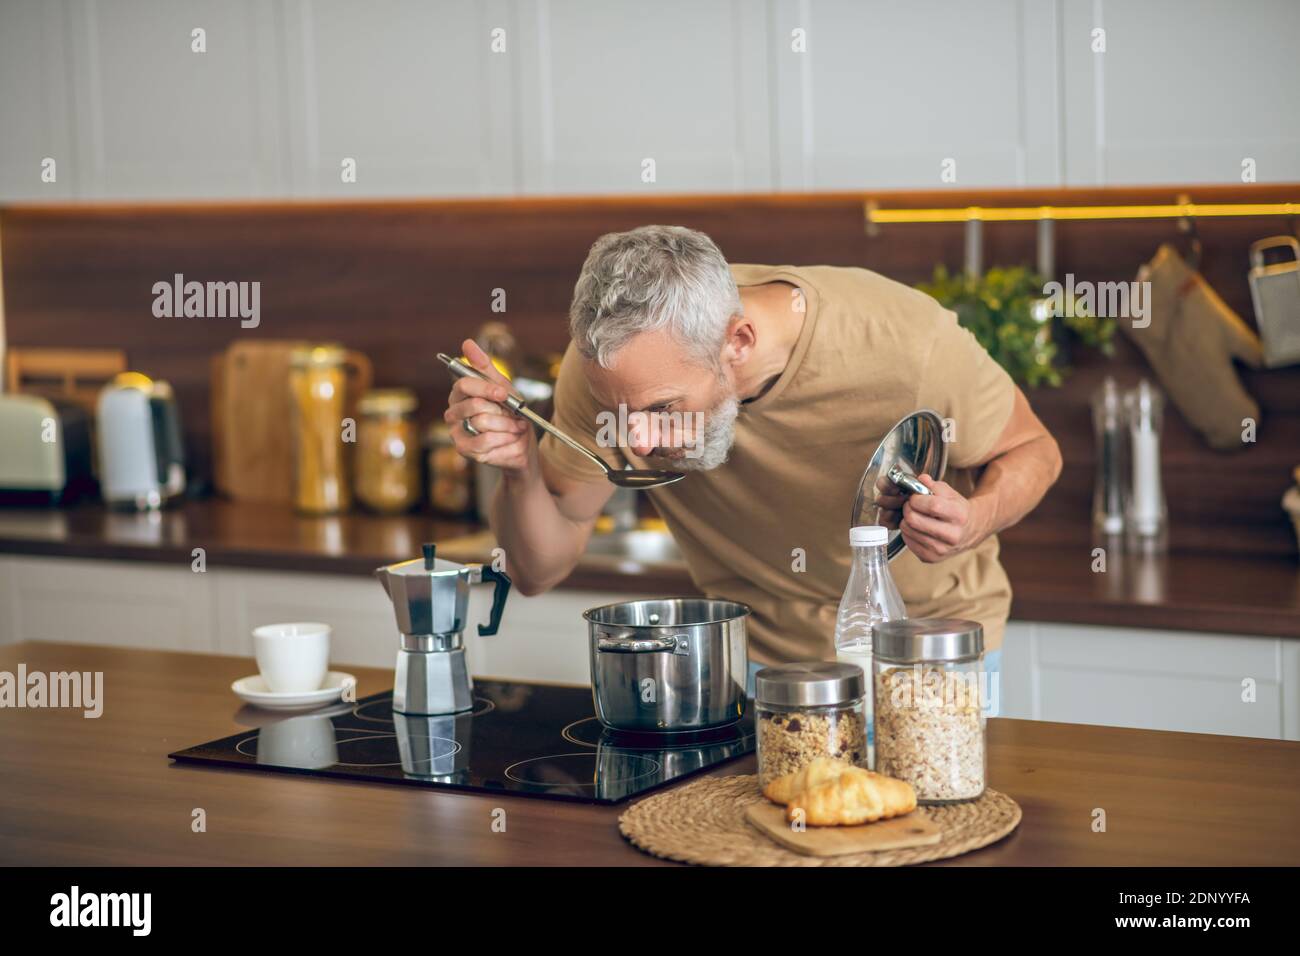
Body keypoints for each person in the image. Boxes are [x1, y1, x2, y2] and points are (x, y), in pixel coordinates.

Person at [445, 225, 1062, 713]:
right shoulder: (610, 370)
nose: (637, 439)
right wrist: (519, 466)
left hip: (928, 656)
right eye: (619, 413)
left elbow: (1036, 449)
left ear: (737, 341)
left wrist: (976, 518)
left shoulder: (906, 343)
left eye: (664, 410)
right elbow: (535, 571)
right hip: (763, 671)